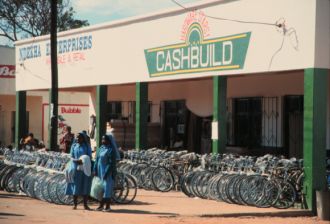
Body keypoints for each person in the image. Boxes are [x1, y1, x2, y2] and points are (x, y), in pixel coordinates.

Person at [65, 132, 92, 210]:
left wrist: (83, 160)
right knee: (75, 186)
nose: (77, 139)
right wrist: (75, 160)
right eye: (77, 138)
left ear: (83, 138)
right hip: (75, 168)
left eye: (79, 137)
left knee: (85, 186)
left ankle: (85, 205)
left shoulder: (87, 147)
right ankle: (75, 204)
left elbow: (89, 156)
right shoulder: (74, 146)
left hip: (84, 168)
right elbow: (71, 156)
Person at [93, 135, 117, 212]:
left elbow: (111, 163)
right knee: (101, 190)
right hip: (100, 172)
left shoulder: (111, 150)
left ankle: (107, 207)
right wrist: (95, 169)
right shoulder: (101, 148)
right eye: (102, 139)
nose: (103, 141)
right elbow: (97, 160)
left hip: (108, 173)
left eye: (104, 140)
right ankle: (100, 206)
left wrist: (106, 173)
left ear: (109, 141)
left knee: (107, 190)